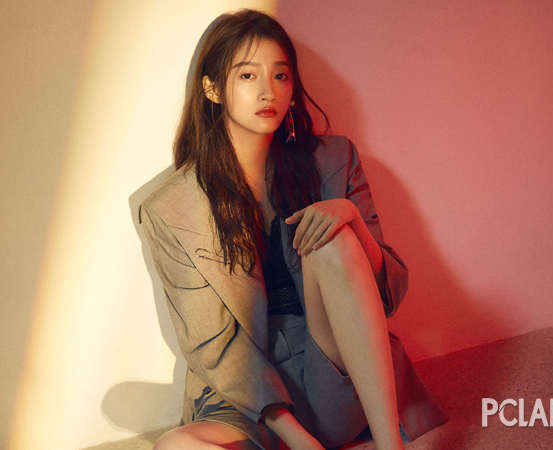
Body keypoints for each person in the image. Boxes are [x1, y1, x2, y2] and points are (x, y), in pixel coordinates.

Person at [139, 8, 447, 450]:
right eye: (248, 76)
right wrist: (300, 442)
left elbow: (389, 296)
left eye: (280, 76)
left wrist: (351, 219)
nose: (268, 91)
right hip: (249, 397)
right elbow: (216, 350)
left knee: (333, 241)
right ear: (212, 89)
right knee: (175, 445)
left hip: (334, 370)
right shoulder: (171, 209)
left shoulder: (334, 160)